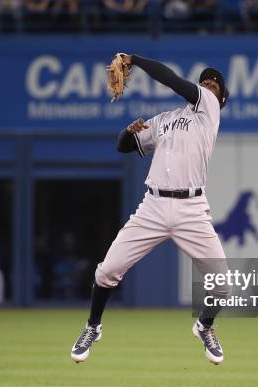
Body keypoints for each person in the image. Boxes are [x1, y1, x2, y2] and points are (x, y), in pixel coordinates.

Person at [71, 54, 231, 365]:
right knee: (107, 271)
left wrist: (135, 60)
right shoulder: (164, 119)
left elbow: (172, 80)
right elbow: (124, 147)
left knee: (222, 284)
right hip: (153, 206)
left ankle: (205, 326)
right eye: (205, 83)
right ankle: (92, 327)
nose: (209, 87)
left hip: (192, 209)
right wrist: (128, 133)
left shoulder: (209, 111)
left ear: (221, 99)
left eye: (214, 86)